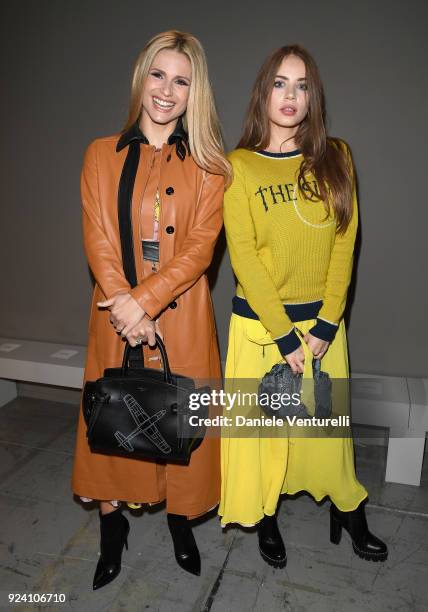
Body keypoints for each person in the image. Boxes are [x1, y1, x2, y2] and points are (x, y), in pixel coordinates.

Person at [72, 30, 231, 589]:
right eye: (158, 74)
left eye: (182, 80)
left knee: (179, 429)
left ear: (196, 92)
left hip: (182, 319)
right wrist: (127, 307)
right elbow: (97, 240)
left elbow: (201, 249)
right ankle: (112, 533)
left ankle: (181, 524)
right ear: (142, 77)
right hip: (113, 318)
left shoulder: (214, 167)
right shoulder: (99, 154)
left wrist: (145, 302)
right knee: (112, 426)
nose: (167, 90)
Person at [218, 44, 388, 567]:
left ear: (313, 96)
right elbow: (243, 257)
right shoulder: (238, 166)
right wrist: (286, 336)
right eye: (279, 83)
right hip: (262, 332)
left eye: (302, 85)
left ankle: (348, 510)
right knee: (265, 435)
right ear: (262, 92)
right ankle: (265, 515)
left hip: (321, 329)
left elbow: (346, 242)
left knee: (325, 437)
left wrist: (326, 323)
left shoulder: (337, 156)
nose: (290, 96)